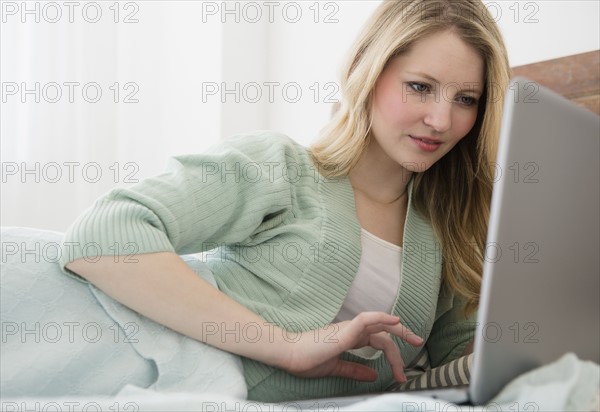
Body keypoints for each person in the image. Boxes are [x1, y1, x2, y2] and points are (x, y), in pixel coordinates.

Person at [59, 0, 511, 402]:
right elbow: (105, 233)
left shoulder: (446, 222)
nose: (440, 119)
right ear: (366, 70)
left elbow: (463, 357)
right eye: (419, 87)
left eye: (466, 99)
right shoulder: (280, 168)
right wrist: (287, 347)